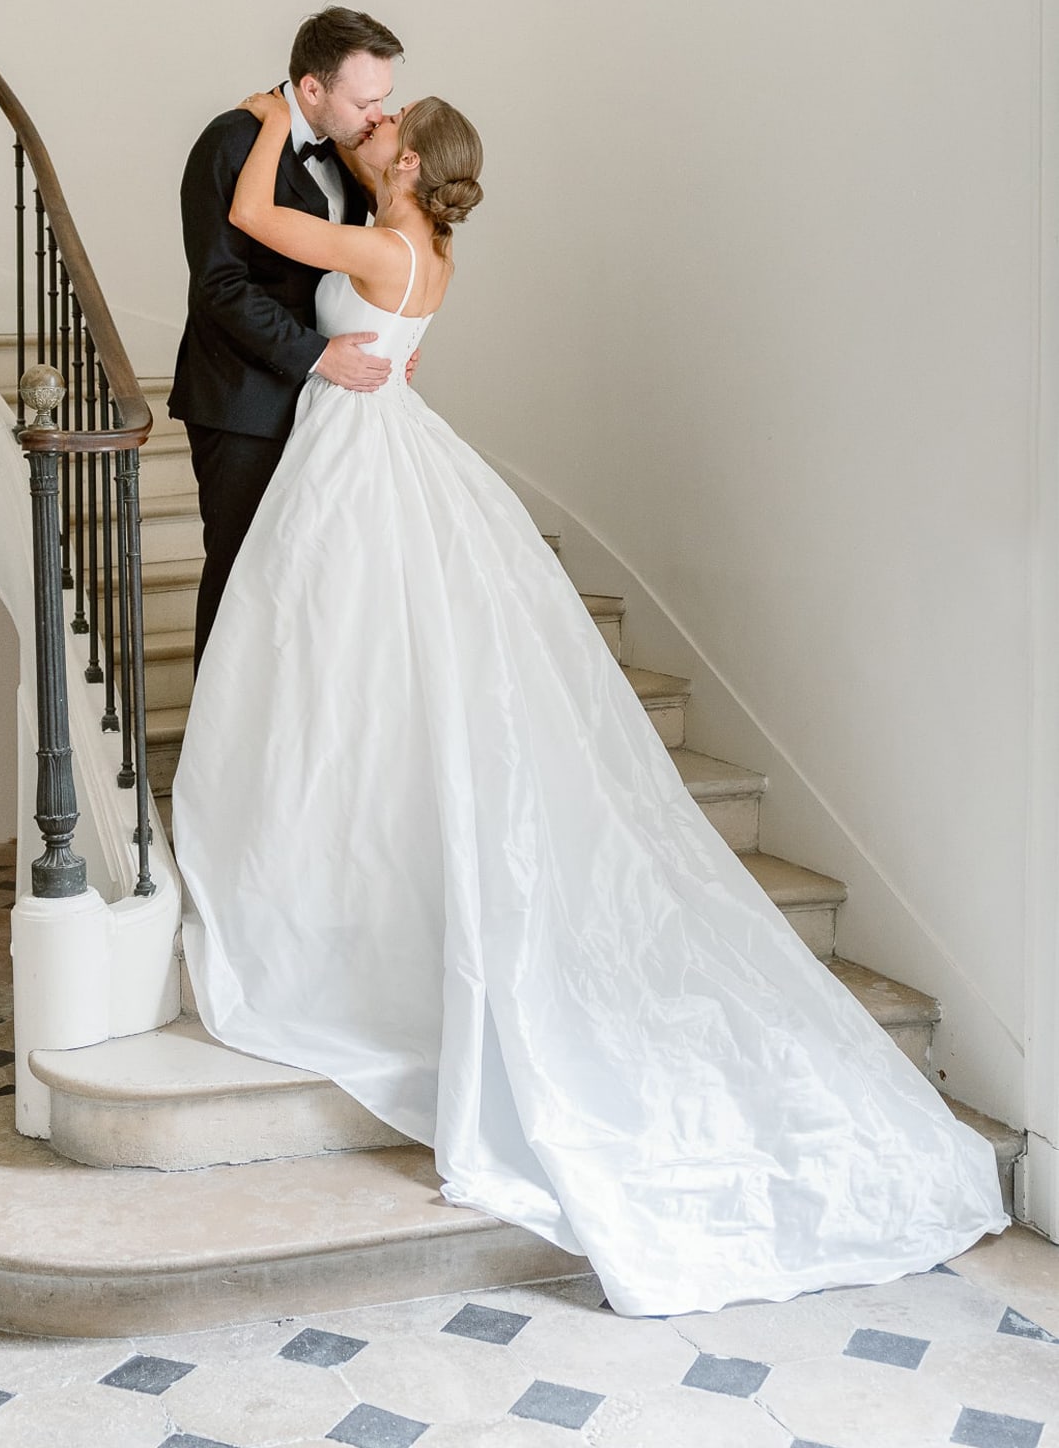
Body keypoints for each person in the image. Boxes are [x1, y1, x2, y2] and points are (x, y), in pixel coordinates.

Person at [171, 88, 1007, 1320]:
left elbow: (247, 215)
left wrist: (268, 109)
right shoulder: (419, 243)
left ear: (411, 163)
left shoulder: (378, 239)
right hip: (369, 438)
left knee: (342, 666)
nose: (375, 130)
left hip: (359, 449)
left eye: (390, 130)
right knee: (346, 665)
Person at [169, 6, 404, 670]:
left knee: (305, 577)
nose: (378, 115)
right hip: (243, 400)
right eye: (365, 100)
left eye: (382, 99)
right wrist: (318, 354)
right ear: (310, 88)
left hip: (329, 409)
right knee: (241, 572)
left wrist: (386, 342)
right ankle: (212, 754)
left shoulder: (350, 154)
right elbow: (219, 284)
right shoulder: (231, 142)